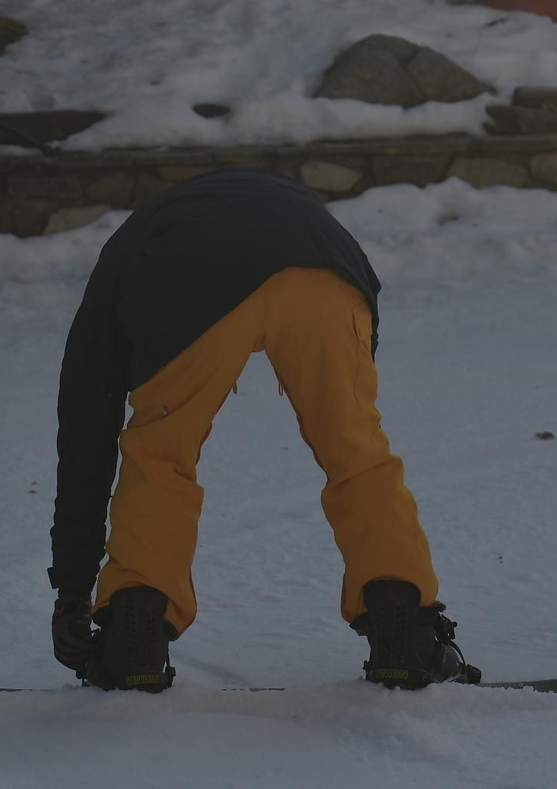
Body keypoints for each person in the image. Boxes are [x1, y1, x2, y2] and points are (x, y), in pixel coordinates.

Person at [47, 167, 480, 692]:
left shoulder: (129, 252)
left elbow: (86, 428)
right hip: (327, 268)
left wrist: (72, 590)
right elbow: (365, 324)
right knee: (356, 451)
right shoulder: (289, 208)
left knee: (160, 455)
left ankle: (133, 642)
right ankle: (405, 638)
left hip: (189, 279)